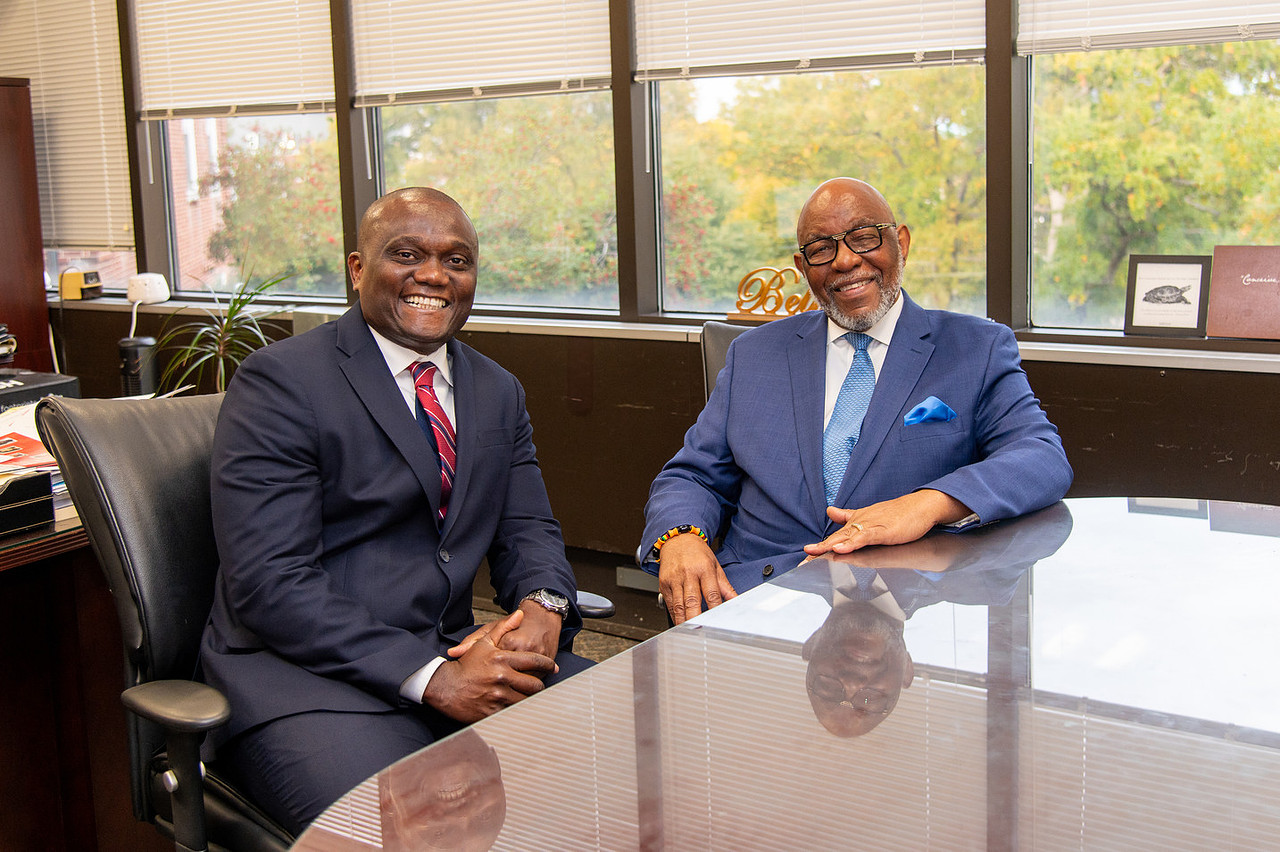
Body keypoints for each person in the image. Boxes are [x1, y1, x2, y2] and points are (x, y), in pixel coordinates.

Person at [199, 187, 590, 832]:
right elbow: (270, 582)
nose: (434, 276)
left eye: (457, 261)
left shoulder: (497, 390)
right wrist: (430, 677)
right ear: (358, 269)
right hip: (309, 684)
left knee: (621, 756)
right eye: (406, 255)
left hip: (458, 652)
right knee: (413, 828)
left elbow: (528, 528)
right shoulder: (281, 383)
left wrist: (544, 606)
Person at [641, 176, 1073, 624]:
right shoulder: (754, 354)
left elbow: (1040, 458)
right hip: (749, 600)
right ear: (802, 266)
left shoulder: (974, 348)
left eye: (864, 238)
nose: (846, 260)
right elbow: (694, 475)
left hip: (894, 601)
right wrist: (681, 538)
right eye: (822, 249)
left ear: (900, 243)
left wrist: (925, 504)